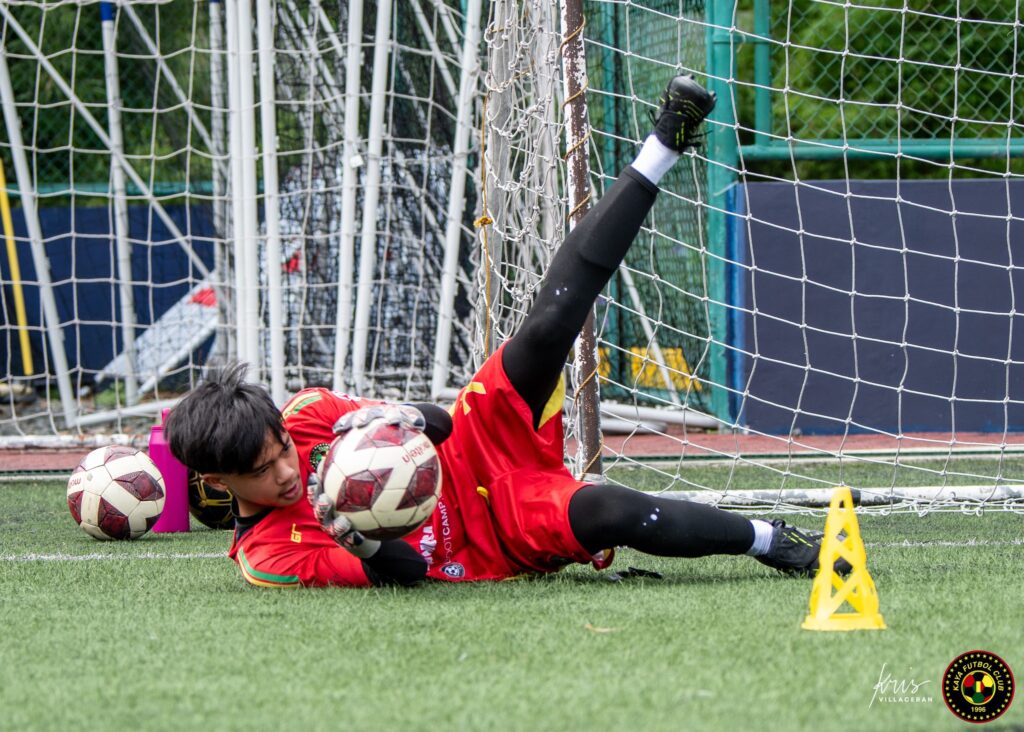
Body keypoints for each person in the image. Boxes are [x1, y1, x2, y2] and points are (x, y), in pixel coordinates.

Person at [166, 75, 850, 588]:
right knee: (607, 510)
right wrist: (362, 537)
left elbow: (436, 421)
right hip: (492, 534)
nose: (287, 470)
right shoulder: (268, 557)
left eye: (282, 449)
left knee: (549, 325)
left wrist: (395, 416)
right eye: (261, 471)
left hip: (474, 444)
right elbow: (402, 577)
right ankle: (770, 541)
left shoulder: (311, 416)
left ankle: (662, 146)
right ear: (217, 481)